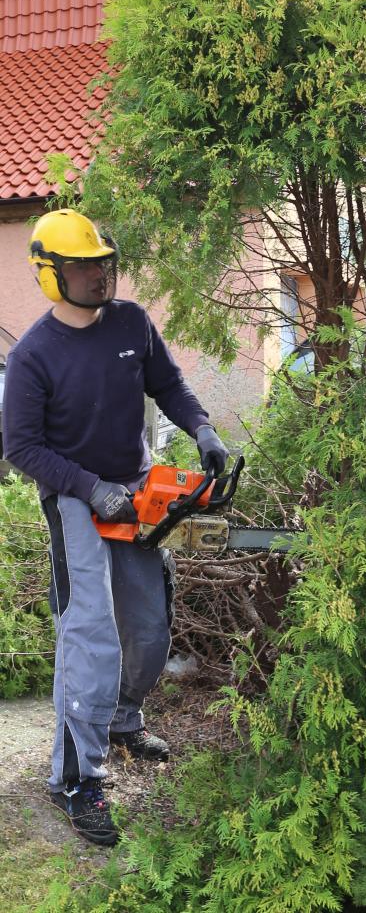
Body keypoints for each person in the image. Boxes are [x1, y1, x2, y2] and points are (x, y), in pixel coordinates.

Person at [1, 208, 229, 847]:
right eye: (85, 267)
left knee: (150, 629)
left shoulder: (131, 323)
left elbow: (170, 383)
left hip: (135, 488)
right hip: (75, 497)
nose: (101, 276)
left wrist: (204, 429)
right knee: (92, 639)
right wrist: (89, 490)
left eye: (106, 264)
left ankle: (124, 719)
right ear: (52, 275)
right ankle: (74, 778)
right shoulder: (33, 357)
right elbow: (21, 447)